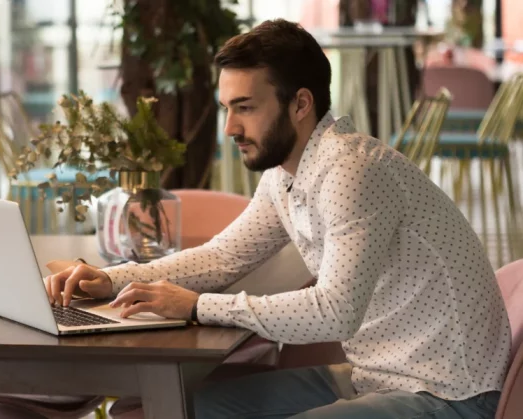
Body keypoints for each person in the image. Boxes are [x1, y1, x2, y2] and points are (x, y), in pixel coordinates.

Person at [44, 19, 511, 419]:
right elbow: (223, 257)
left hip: (445, 394)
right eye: (228, 108)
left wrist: (195, 306)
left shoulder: (353, 171)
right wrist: (110, 280)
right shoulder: (286, 174)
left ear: (300, 104)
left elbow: (334, 312)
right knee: (173, 407)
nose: (229, 128)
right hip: (374, 377)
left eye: (245, 108)